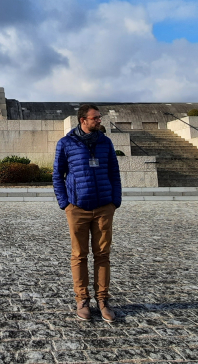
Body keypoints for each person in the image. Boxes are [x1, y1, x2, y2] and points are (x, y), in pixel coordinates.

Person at [52, 104, 122, 322]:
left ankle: (103, 300)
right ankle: (82, 299)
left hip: (103, 207)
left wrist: (114, 201)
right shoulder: (66, 143)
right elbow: (57, 175)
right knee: (79, 255)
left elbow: (114, 172)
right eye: (95, 118)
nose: (99, 120)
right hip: (78, 207)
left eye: (99, 117)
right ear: (83, 120)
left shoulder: (106, 142)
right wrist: (65, 204)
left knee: (102, 255)